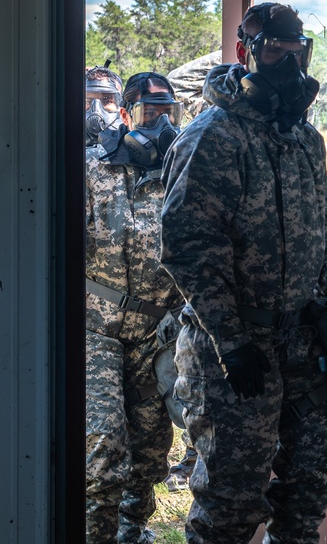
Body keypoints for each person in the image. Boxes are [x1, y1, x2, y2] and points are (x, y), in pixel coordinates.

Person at [159, 2, 327, 543]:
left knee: (318, 472)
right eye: (273, 51)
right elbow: (187, 245)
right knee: (232, 501)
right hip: (235, 349)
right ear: (245, 54)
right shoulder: (213, 136)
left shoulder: (305, 140)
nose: (288, 67)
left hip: (299, 342)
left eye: (297, 53)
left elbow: (324, 233)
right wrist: (231, 341)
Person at [85, 71, 187, 543]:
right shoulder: (92, 169)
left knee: (149, 456)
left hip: (155, 335)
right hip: (94, 331)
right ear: (125, 115)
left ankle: (132, 533)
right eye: (150, 112)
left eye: (170, 111)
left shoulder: (186, 173)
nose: (162, 123)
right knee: (104, 453)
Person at [85, 64, 125, 147]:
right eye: (88, 101)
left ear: (121, 103)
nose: (96, 109)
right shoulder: (64, 139)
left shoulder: (127, 143)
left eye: (106, 100)